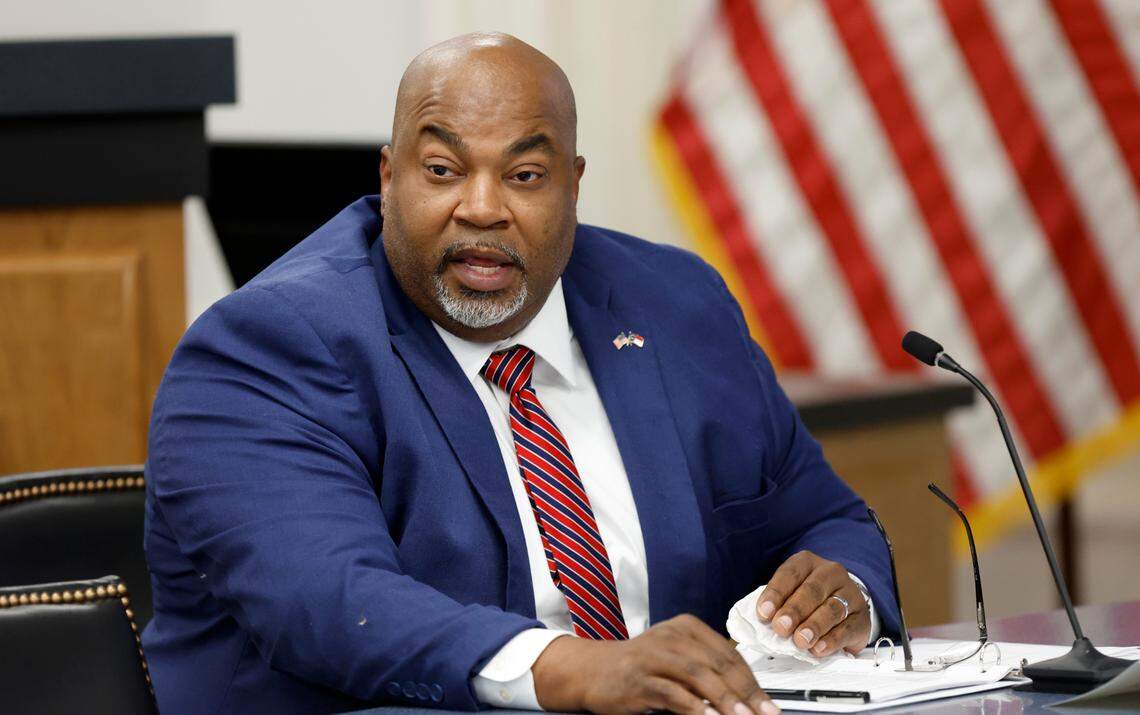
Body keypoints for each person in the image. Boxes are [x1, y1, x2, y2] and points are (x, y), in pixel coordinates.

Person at [142, 32, 899, 715]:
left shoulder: (676, 305)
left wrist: (843, 590)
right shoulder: (261, 347)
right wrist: (577, 670)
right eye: (442, 169)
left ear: (573, 185)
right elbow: (333, 604)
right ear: (388, 176)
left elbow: (828, 518)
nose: (481, 207)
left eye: (525, 174)